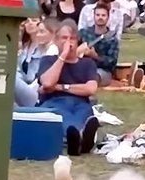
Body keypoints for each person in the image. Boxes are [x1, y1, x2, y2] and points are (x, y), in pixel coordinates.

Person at [37, 19, 101, 156]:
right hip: (53, 103)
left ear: (77, 40)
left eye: (72, 38)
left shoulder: (87, 63)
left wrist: (59, 87)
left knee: (85, 114)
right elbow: (47, 83)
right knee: (62, 115)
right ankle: (80, 138)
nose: (68, 42)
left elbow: (90, 89)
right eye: (64, 38)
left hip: (80, 104)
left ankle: (77, 139)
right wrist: (63, 56)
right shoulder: (48, 60)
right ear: (56, 40)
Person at [14, 17, 59, 107]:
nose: (37, 35)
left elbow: (39, 81)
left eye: (41, 32)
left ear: (53, 33)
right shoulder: (33, 47)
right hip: (28, 88)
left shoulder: (53, 50)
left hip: (37, 94)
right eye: (38, 32)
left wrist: (25, 89)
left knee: (10, 78)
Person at [78, 2, 120, 87]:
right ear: (94, 16)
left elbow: (111, 62)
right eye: (97, 15)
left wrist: (95, 56)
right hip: (83, 67)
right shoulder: (83, 33)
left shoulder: (112, 39)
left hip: (102, 71)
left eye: (103, 15)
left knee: (95, 76)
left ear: (108, 18)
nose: (100, 17)